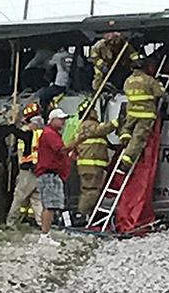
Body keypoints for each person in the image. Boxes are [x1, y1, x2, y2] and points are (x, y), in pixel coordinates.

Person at [34, 108, 74, 240]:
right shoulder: (50, 134)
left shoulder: (53, 134)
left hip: (52, 174)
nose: (63, 122)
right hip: (48, 173)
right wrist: (78, 141)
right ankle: (44, 236)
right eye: (61, 119)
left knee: (51, 205)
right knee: (49, 206)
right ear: (52, 119)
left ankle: (46, 234)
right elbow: (62, 150)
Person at [118, 57, 164, 170]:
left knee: (127, 128)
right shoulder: (149, 80)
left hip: (132, 112)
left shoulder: (127, 81)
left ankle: (124, 135)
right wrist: (159, 83)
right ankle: (126, 160)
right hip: (145, 114)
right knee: (138, 138)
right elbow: (160, 93)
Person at [74, 99, 117, 214]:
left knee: (92, 191)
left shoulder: (88, 126)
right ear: (87, 112)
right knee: (90, 191)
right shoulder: (87, 125)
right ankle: (82, 215)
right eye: (93, 110)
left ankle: (87, 214)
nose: (96, 113)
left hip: (93, 167)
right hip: (90, 166)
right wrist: (117, 122)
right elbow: (101, 129)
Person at [6, 105, 44, 228]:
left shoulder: (30, 135)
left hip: (28, 170)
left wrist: (12, 123)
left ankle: (11, 222)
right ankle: (42, 224)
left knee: (19, 197)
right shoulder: (45, 134)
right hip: (40, 170)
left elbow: (17, 132)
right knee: (37, 199)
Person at [38, 47, 74, 117]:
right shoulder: (72, 56)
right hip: (70, 84)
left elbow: (48, 66)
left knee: (43, 93)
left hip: (60, 85)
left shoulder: (58, 56)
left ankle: (45, 113)